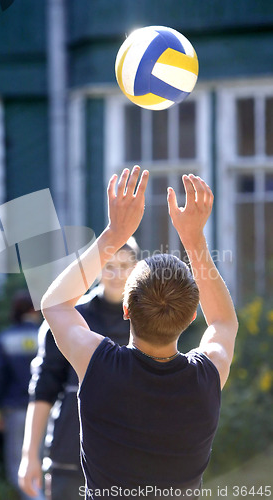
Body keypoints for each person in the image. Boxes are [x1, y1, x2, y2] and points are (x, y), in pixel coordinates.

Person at [36, 167, 238, 498]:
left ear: (126, 310)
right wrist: (194, 240)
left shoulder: (98, 363)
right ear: (190, 317)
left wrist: (114, 233)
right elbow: (223, 322)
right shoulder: (207, 375)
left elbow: (55, 304)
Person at [18, 239, 140, 499]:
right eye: (109, 266)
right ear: (97, 269)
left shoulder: (149, 320)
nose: (117, 274)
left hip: (127, 463)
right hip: (69, 459)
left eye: (125, 266)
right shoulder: (68, 318)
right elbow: (43, 390)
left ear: (137, 268)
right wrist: (29, 455)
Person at [0, 290, 45, 500]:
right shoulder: (47, 334)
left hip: (16, 411)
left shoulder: (5, 339)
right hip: (46, 409)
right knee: (45, 460)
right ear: (34, 310)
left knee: (19, 463)